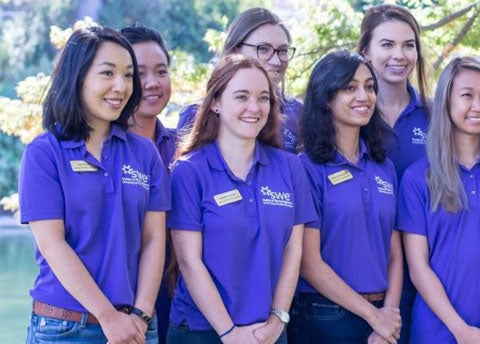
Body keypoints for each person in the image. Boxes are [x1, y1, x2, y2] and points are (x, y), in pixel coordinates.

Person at [18, 26, 167, 343]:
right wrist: (107, 317)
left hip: (136, 326)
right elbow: (53, 245)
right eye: (107, 73)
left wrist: (141, 315)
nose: (120, 86)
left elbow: (154, 238)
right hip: (65, 328)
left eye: (128, 76)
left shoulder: (144, 153)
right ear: (78, 77)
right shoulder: (44, 153)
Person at [166, 54, 314, 343]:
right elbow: (189, 261)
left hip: (267, 333)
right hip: (202, 331)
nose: (253, 108)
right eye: (241, 96)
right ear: (216, 103)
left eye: (263, 98)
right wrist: (229, 333)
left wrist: (277, 320)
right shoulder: (190, 170)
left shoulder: (290, 167)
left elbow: (293, 250)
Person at [398, 56, 480, 344]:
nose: (479, 106)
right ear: (446, 102)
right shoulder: (418, 178)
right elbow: (418, 267)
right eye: (467, 95)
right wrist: (460, 330)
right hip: (438, 331)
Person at [290, 50, 402, 344]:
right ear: (326, 98)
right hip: (325, 316)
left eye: (369, 87)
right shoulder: (305, 169)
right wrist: (373, 316)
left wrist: (387, 315)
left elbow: (394, 252)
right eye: (349, 88)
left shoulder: (384, 167)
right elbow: (309, 263)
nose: (363, 96)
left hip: (381, 316)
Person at [358, 6, 430, 342]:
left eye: (409, 45)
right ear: (365, 51)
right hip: (368, 275)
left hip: (431, 273)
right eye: (387, 45)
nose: (399, 55)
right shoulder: (347, 116)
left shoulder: (436, 116)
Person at [120, 23, 178, 344]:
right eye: (139, 74)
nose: (152, 83)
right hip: (115, 301)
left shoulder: (184, 148)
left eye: (161, 71)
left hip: (175, 298)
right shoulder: (103, 150)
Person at [176, 7, 303, 152]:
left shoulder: (299, 114)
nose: (276, 61)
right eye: (263, 49)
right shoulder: (195, 115)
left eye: (283, 51)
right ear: (235, 51)